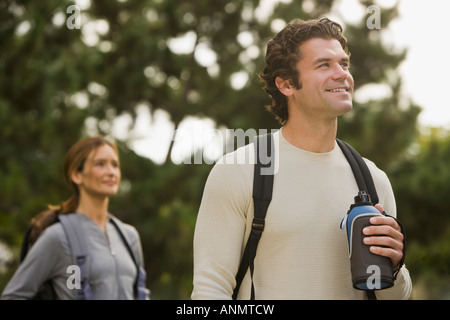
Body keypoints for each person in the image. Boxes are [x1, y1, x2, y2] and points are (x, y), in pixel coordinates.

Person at [191, 17, 412, 299]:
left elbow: (396, 297)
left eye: (343, 64)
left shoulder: (372, 180)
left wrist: (394, 268)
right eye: (324, 65)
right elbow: (211, 291)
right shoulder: (240, 171)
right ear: (286, 85)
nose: (342, 73)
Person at [1, 136, 150, 300]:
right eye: (100, 164)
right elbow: (13, 296)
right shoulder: (58, 237)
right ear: (76, 175)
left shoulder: (129, 236)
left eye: (115, 165)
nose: (111, 172)